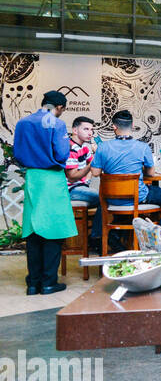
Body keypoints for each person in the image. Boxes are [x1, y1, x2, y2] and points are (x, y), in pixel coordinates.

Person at [14, 91, 76, 295]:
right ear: (59, 107)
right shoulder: (56, 124)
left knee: (33, 231)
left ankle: (33, 283)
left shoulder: (23, 123)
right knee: (52, 231)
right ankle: (49, 282)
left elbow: (18, 153)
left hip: (32, 178)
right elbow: (62, 153)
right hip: (52, 179)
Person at [91, 110, 161, 233]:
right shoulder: (142, 147)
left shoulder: (103, 147)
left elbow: (95, 173)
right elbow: (151, 174)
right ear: (132, 125)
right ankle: (157, 233)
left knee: (160, 192)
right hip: (139, 196)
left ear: (114, 126)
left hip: (111, 199)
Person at [64, 116, 99, 248]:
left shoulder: (84, 146)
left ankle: (96, 235)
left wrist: (88, 179)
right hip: (71, 190)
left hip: (81, 187)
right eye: (86, 129)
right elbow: (72, 177)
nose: (90, 133)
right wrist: (94, 162)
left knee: (107, 199)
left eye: (91, 130)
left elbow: (93, 166)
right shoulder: (70, 148)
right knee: (105, 199)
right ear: (75, 130)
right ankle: (95, 237)